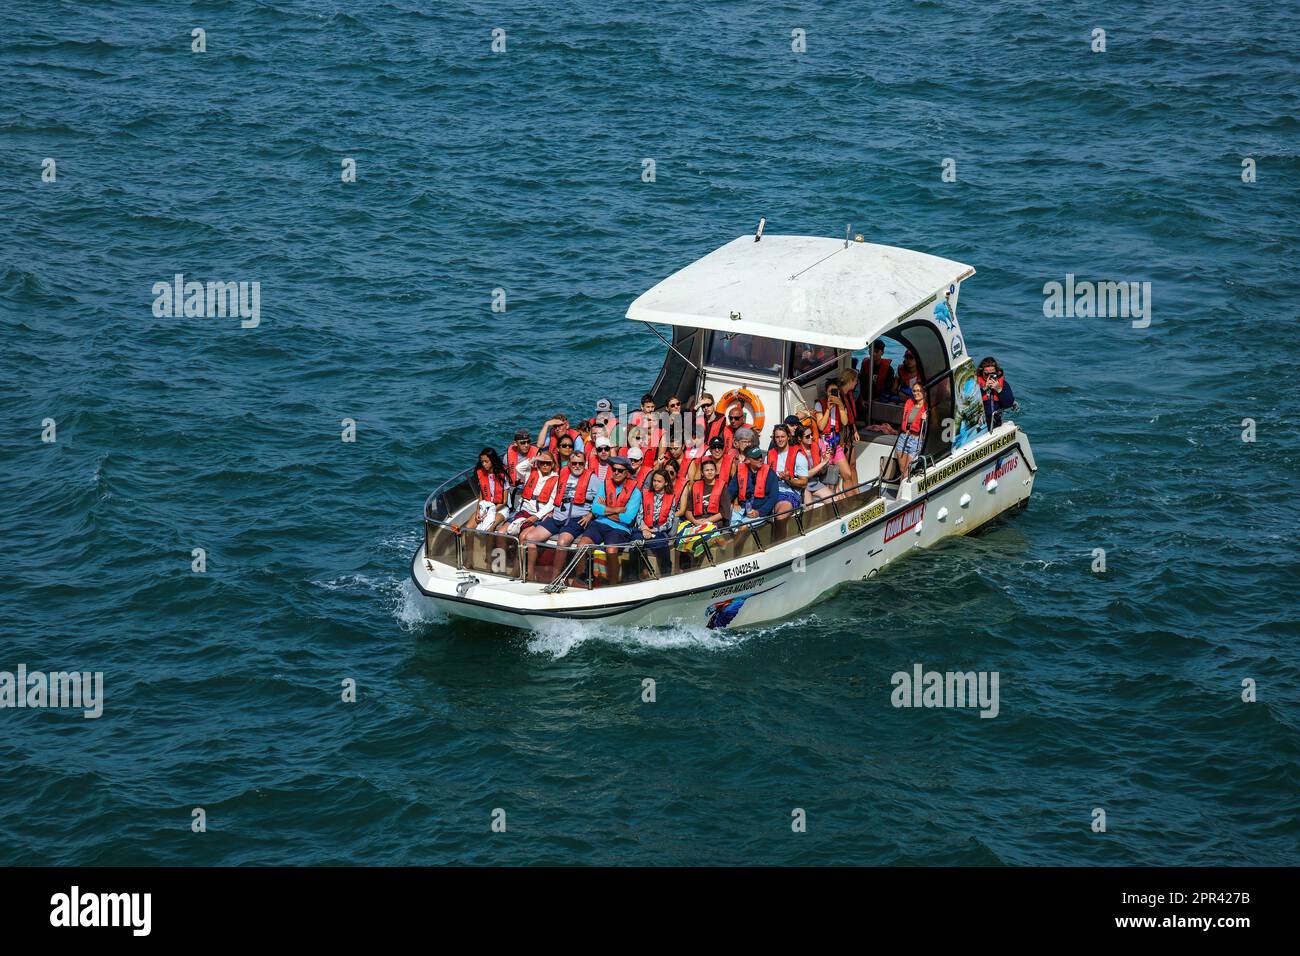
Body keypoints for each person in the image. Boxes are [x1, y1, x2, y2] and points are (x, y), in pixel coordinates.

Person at [522, 447, 595, 569]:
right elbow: (556, 496)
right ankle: (529, 574)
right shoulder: (563, 474)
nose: (577, 466)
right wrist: (551, 510)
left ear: (585, 464)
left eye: (580, 463)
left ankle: (556, 578)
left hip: (576, 519)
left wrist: (590, 515)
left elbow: (601, 501)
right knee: (530, 538)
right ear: (569, 464)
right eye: (574, 463)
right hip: (557, 516)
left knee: (562, 541)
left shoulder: (593, 479)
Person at [577, 456, 643, 585]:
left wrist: (605, 508)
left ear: (627, 473)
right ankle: (581, 581)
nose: (616, 473)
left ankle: (613, 585)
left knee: (611, 550)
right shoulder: (604, 485)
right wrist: (618, 509)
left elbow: (628, 518)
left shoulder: (635, 492)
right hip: (599, 524)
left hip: (620, 528)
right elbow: (595, 508)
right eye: (614, 469)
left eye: (620, 470)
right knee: (581, 545)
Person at [814, 372, 859, 487]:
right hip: (825, 444)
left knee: (847, 474)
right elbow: (821, 426)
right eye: (830, 392)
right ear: (826, 392)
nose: (832, 395)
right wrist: (828, 410)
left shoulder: (840, 405)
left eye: (835, 392)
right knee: (830, 480)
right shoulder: (820, 405)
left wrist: (840, 406)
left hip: (836, 443)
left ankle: (851, 500)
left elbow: (844, 421)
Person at [504, 451, 559, 537]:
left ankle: (521, 550)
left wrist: (536, 516)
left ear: (552, 465)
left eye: (548, 463)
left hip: (537, 514)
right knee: (501, 532)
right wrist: (535, 458)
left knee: (523, 536)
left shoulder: (556, 479)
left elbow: (551, 504)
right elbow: (519, 468)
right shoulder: (530, 472)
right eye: (542, 462)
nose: (545, 465)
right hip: (522, 511)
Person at [638, 469, 678, 576]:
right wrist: (644, 528)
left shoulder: (671, 497)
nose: (656, 483)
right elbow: (639, 515)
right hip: (644, 529)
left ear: (665, 483)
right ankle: (634, 575)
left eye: (659, 481)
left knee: (661, 544)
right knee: (634, 543)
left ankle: (666, 574)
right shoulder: (645, 494)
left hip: (659, 530)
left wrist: (654, 530)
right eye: (654, 481)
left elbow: (669, 522)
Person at [766, 424, 807, 513]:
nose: (780, 440)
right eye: (777, 437)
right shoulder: (769, 455)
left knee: (781, 512)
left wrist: (788, 479)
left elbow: (804, 483)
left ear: (788, 437)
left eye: (782, 437)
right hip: (770, 492)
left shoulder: (799, 457)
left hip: (789, 493)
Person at [896, 382, 928, 480]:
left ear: (924, 392)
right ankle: (900, 494)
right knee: (902, 471)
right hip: (903, 437)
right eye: (914, 391)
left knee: (907, 473)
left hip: (916, 440)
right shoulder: (909, 402)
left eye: (919, 391)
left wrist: (927, 419)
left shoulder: (927, 408)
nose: (916, 393)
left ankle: (903, 494)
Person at [472, 448, 509, 531]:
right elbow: (482, 496)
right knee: (468, 527)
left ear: (493, 460)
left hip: (500, 508)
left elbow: (504, 501)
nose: (484, 464)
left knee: (489, 528)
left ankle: (488, 544)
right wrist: (478, 511)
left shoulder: (502, 476)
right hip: (485, 507)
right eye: (482, 462)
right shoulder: (482, 474)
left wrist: (489, 512)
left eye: (486, 461)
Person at [796, 425, 834, 502]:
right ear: (799, 438)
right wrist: (823, 462)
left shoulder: (815, 447)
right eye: (807, 436)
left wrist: (826, 461)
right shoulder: (797, 453)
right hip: (803, 485)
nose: (811, 437)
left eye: (811, 434)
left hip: (814, 482)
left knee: (834, 500)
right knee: (809, 507)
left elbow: (822, 472)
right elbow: (805, 475)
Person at [977, 356, 1016, 429]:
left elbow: (1008, 404)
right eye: (986, 374)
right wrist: (984, 389)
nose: (989, 377)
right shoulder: (975, 385)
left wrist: (999, 390)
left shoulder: (1003, 385)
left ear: (997, 373)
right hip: (979, 424)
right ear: (981, 372)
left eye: (992, 374)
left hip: (996, 423)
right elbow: (969, 402)